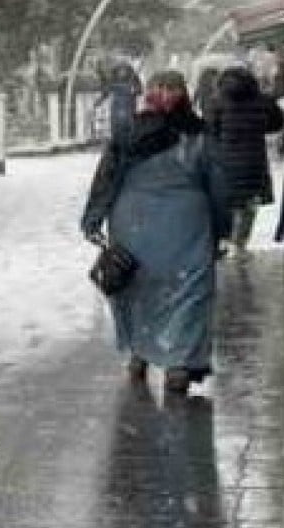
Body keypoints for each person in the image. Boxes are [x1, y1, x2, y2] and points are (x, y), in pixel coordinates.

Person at [81, 70, 230, 394]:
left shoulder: (128, 132)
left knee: (136, 285)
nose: (163, 94)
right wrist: (222, 229)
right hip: (187, 223)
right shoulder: (199, 134)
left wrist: (93, 219)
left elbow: (106, 177)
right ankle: (179, 361)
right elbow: (218, 186)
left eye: (167, 88)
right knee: (188, 290)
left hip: (132, 221)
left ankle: (138, 352)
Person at [206, 66, 284, 254]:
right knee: (249, 205)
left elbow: (210, 131)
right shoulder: (263, 100)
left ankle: (226, 240)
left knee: (227, 203)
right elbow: (277, 123)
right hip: (254, 163)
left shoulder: (218, 102)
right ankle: (240, 243)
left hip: (226, 162)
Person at [96, 61, 142, 142]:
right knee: (119, 126)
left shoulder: (132, 78)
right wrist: (99, 101)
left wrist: (134, 92)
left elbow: (139, 90)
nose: (122, 73)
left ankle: (127, 140)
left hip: (126, 106)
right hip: (120, 106)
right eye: (120, 71)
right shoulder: (114, 81)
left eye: (124, 70)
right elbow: (106, 91)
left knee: (126, 126)